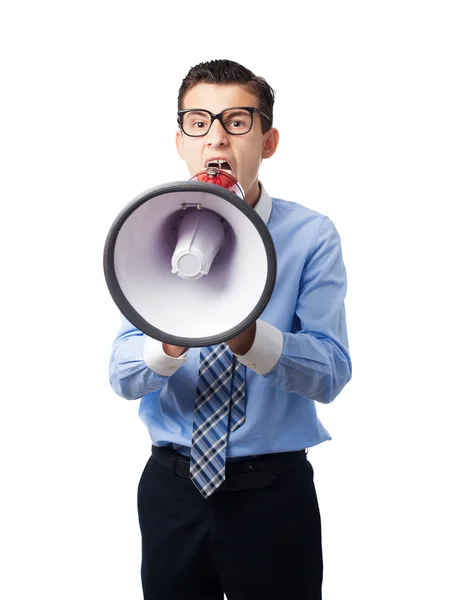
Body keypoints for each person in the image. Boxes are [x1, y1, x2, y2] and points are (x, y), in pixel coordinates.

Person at [109, 58, 352, 600]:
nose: (216, 138)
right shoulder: (146, 227)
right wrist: (169, 340)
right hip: (172, 490)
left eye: (237, 122)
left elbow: (331, 373)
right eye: (199, 122)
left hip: (272, 494)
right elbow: (122, 376)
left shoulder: (310, 235)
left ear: (268, 141)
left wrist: (251, 339)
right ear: (180, 141)